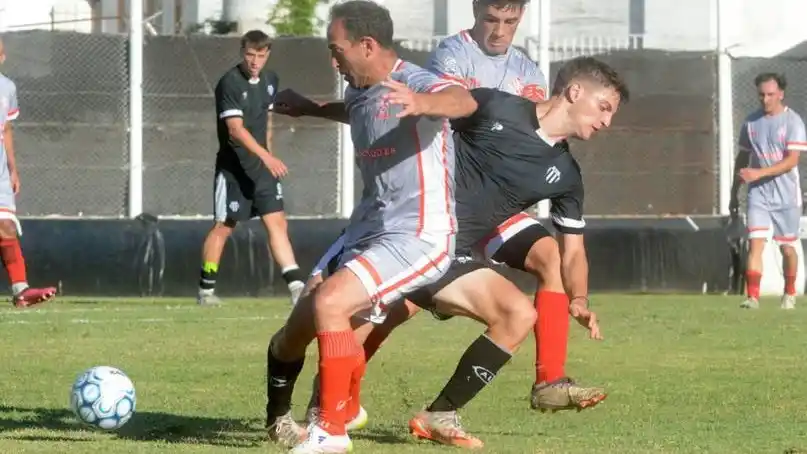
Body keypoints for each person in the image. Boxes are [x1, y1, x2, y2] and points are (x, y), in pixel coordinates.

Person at [271, 56, 627, 450]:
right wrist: (312, 108)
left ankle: (433, 413)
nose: (607, 122)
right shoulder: (497, 107)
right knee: (306, 330)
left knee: (518, 313)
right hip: (399, 234)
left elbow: (572, 252)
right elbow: (392, 112)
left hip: (446, 256)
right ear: (575, 92)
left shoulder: (567, 176)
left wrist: (578, 298)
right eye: (604, 107)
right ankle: (302, 414)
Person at [264, 2, 478, 452]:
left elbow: (463, 101)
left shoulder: (414, 81)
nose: (333, 59)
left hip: (418, 234)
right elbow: (359, 109)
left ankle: (331, 430)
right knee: (294, 333)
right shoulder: (361, 87)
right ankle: (292, 417)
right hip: (367, 230)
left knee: (332, 303)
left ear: (367, 45)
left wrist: (423, 103)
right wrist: (310, 108)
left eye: (336, 49)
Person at [198, 30, 305, 306]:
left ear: (267, 54)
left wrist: (268, 154)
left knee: (276, 222)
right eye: (250, 55)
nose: (255, 61)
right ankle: (206, 290)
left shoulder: (270, 80)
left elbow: (265, 120)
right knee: (224, 227)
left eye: (260, 55)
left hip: (261, 169)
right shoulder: (230, 83)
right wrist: (266, 157)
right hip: (234, 170)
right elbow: (235, 130)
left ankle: (296, 287)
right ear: (242, 53)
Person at [730, 72, 806, 310]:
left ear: (780, 94)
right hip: (758, 194)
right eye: (761, 95)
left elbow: (792, 160)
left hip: (786, 196)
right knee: (756, 244)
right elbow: (742, 158)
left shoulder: (793, 122)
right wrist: (735, 191)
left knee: (787, 248)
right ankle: (752, 297)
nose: (765, 99)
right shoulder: (751, 123)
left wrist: (759, 173)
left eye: (770, 95)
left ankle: (790, 292)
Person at [0, 39, 57, 307]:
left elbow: (6, 129)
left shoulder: (7, 87)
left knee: (7, 226)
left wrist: (13, 168)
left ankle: (20, 291)